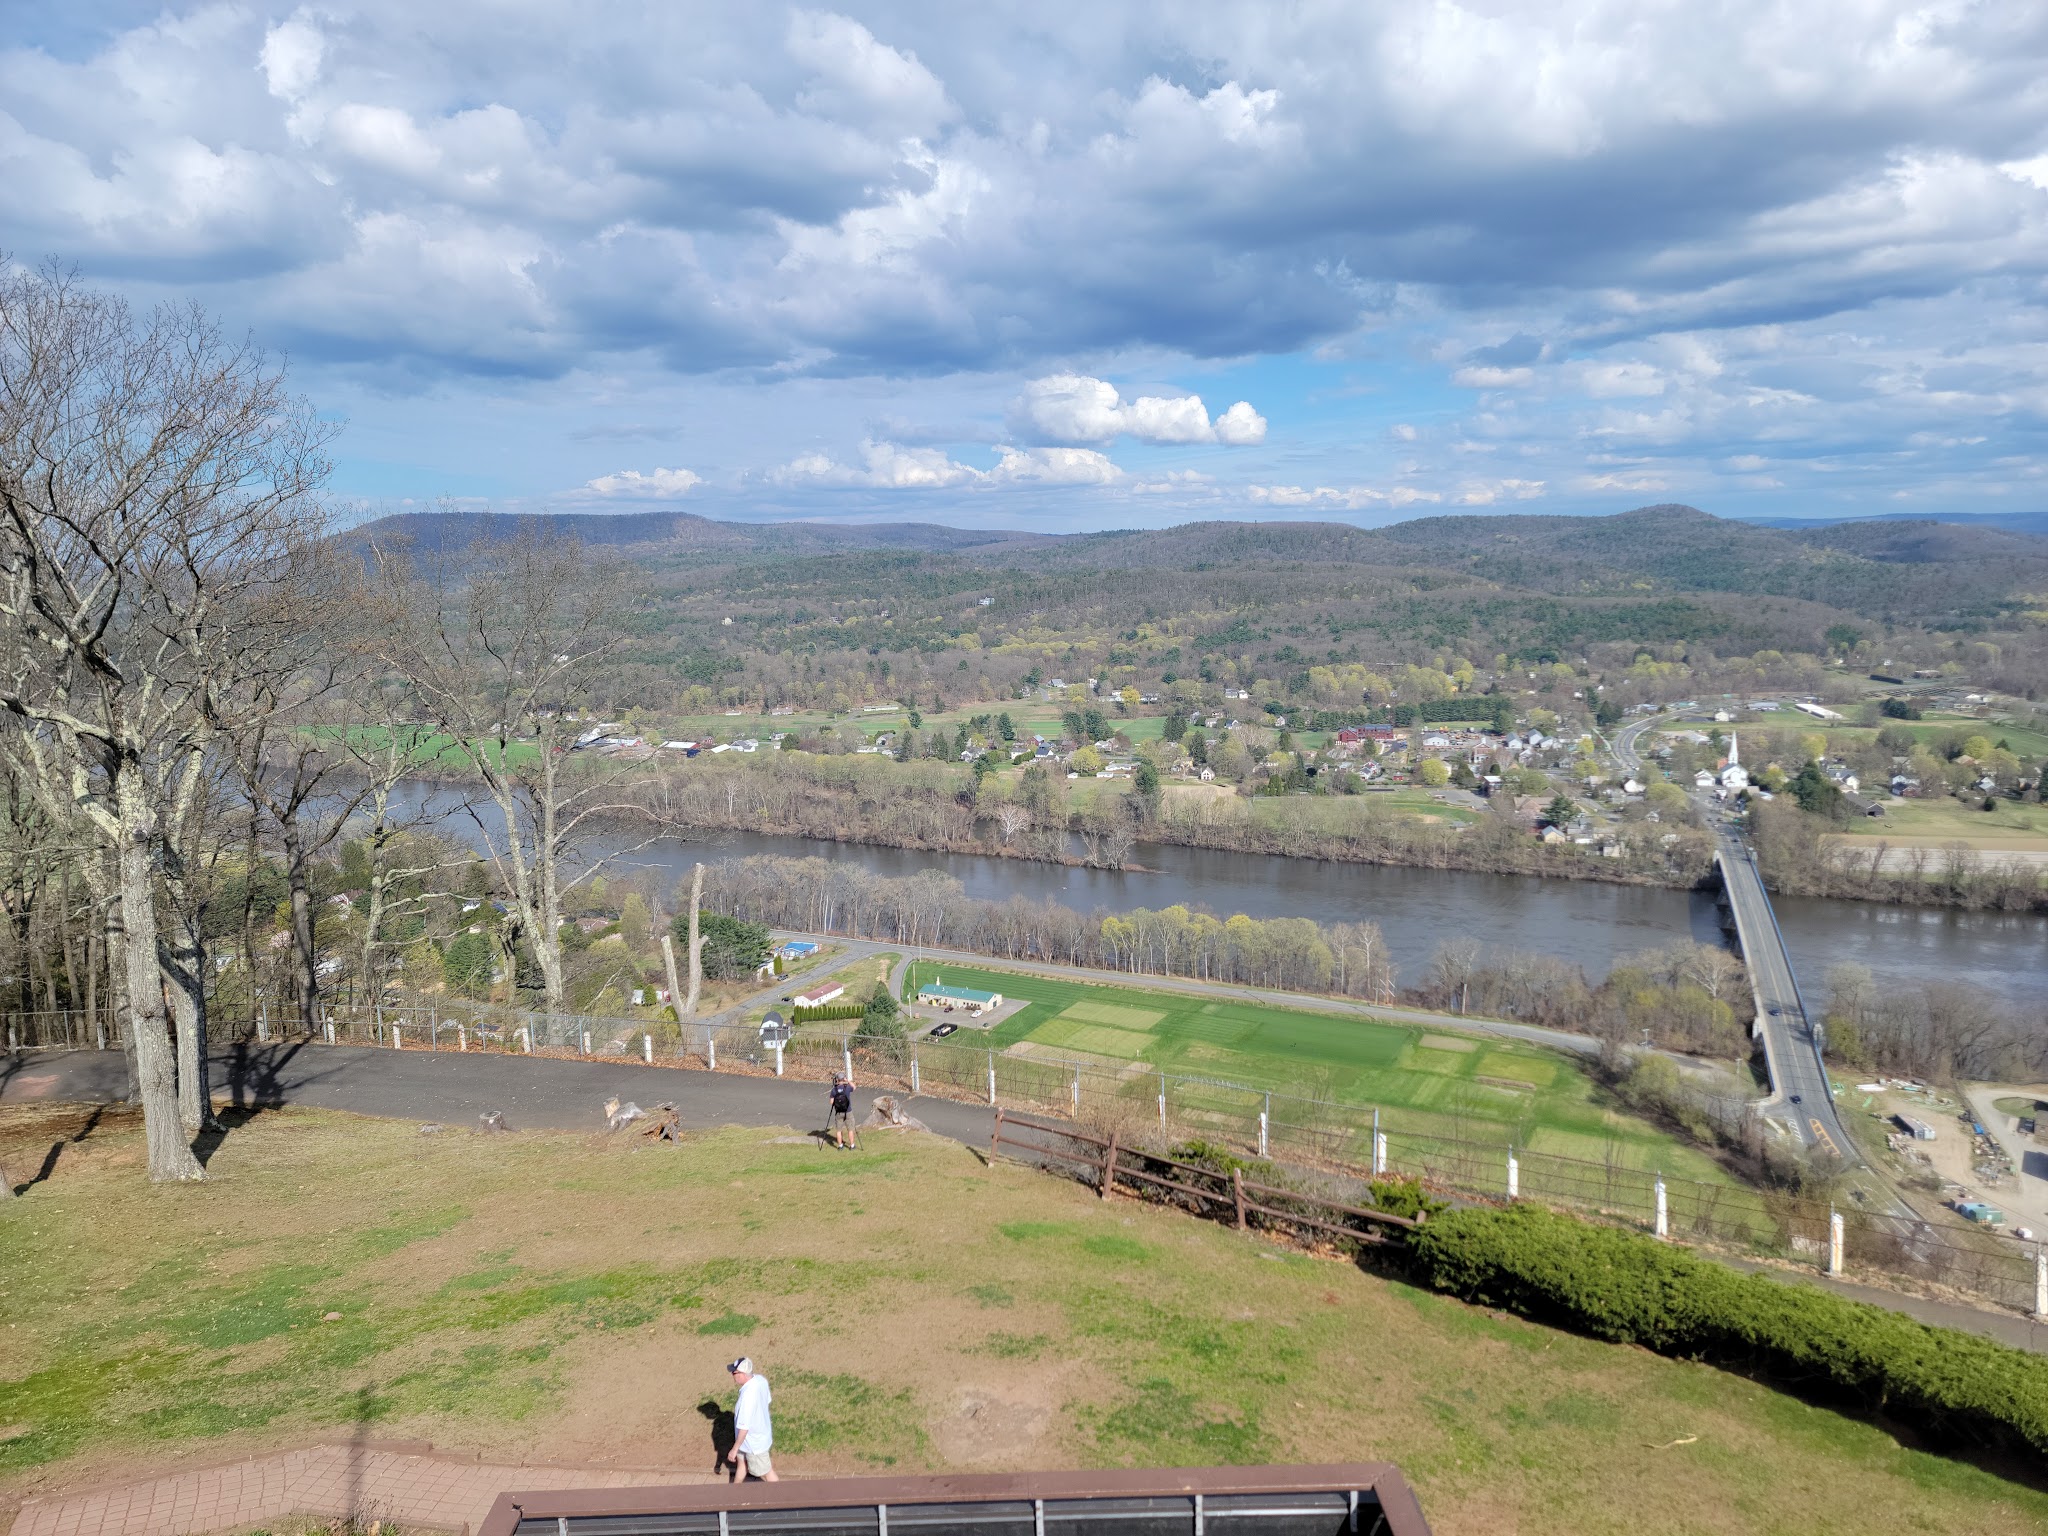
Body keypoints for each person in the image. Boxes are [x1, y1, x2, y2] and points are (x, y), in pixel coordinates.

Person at [725, 1357, 776, 1481]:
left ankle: (783, 1497)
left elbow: (744, 1427)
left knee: (766, 1473)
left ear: (742, 1374)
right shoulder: (760, 1380)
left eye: (734, 1372)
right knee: (742, 1465)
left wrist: (734, 1449)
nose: (732, 1375)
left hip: (754, 1444)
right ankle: (735, 1495)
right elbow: (766, 1401)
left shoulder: (747, 1397)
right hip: (749, 1441)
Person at [828, 1072, 859, 1150]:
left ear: (837, 1080)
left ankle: (840, 1146)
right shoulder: (847, 1088)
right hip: (848, 1111)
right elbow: (854, 1087)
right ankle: (852, 1145)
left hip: (839, 1112)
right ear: (843, 1079)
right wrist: (848, 1080)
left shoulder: (834, 1090)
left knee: (839, 1130)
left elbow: (831, 1102)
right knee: (850, 1129)